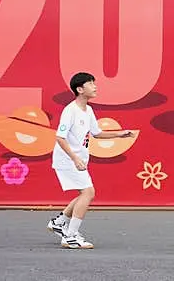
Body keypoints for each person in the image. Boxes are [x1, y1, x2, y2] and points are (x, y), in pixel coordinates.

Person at [47, 72, 135, 249]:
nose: (95, 87)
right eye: (90, 84)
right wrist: (75, 159)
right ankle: (70, 236)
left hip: (78, 159)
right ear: (80, 89)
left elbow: (97, 133)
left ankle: (60, 222)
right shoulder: (70, 111)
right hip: (68, 159)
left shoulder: (88, 110)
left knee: (84, 193)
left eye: (94, 83)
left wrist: (120, 133)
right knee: (88, 193)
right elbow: (60, 138)